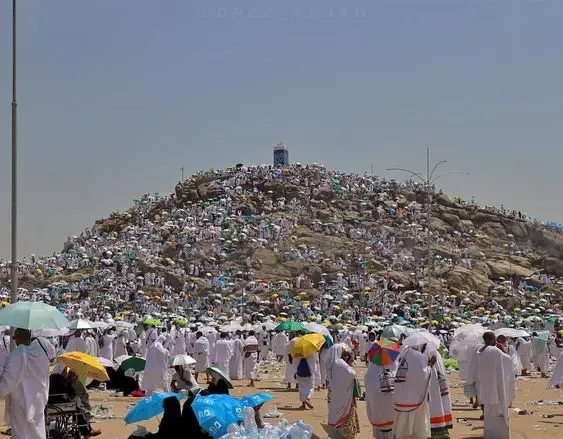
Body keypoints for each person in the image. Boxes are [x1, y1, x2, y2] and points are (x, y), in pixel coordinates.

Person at [0, 329, 51, 439]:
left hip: (21, 401)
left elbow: (9, 381)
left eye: (15, 338)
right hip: (38, 399)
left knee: (21, 433)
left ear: (19, 338)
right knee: (37, 431)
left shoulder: (17, 355)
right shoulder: (41, 354)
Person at [474, 332, 515, 439]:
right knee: (499, 412)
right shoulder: (495, 351)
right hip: (497, 387)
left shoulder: (480, 351)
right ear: (493, 339)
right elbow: (508, 360)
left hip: (485, 388)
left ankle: (489, 434)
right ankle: (499, 435)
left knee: (488, 413)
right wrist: (502, 349)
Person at [393, 343, 434, 439]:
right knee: (415, 428)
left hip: (401, 395)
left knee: (402, 426)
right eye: (424, 345)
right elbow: (422, 376)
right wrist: (430, 366)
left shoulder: (404, 354)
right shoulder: (418, 356)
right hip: (414, 398)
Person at [327, 346, 360, 439]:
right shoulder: (340, 363)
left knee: (335, 417)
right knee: (346, 422)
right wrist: (349, 363)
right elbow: (352, 373)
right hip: (344, 400)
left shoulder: (331, 363)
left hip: (334, 397)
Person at [364, 354, 396, 439]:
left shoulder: (371, 369)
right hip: (389, 410)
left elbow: (367, 385)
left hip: (376, 410)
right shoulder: (392, 367)